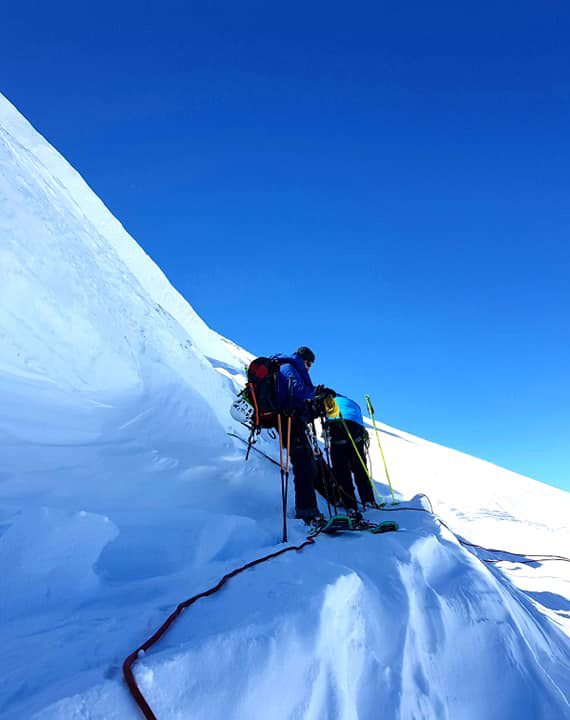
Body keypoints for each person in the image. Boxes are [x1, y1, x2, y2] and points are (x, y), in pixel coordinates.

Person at [274, 346, 335, 523]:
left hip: (296, 421)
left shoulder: (295, 369)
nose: (309, 368)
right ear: (302, 359)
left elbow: (300, 398)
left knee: (308, 463)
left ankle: (310, 510)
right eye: (308, 363)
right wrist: (317, 392)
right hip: (288, 421)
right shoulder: (288, 368)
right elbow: (298, 391)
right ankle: (306, 512)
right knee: (302, 465)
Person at [323, 394, 376, 511]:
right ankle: (368, 500)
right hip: (356, 428)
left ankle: (349, 504)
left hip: (336, 427)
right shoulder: (351, 402)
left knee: (341, 469)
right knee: (360, 466)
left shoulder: (327, 399)